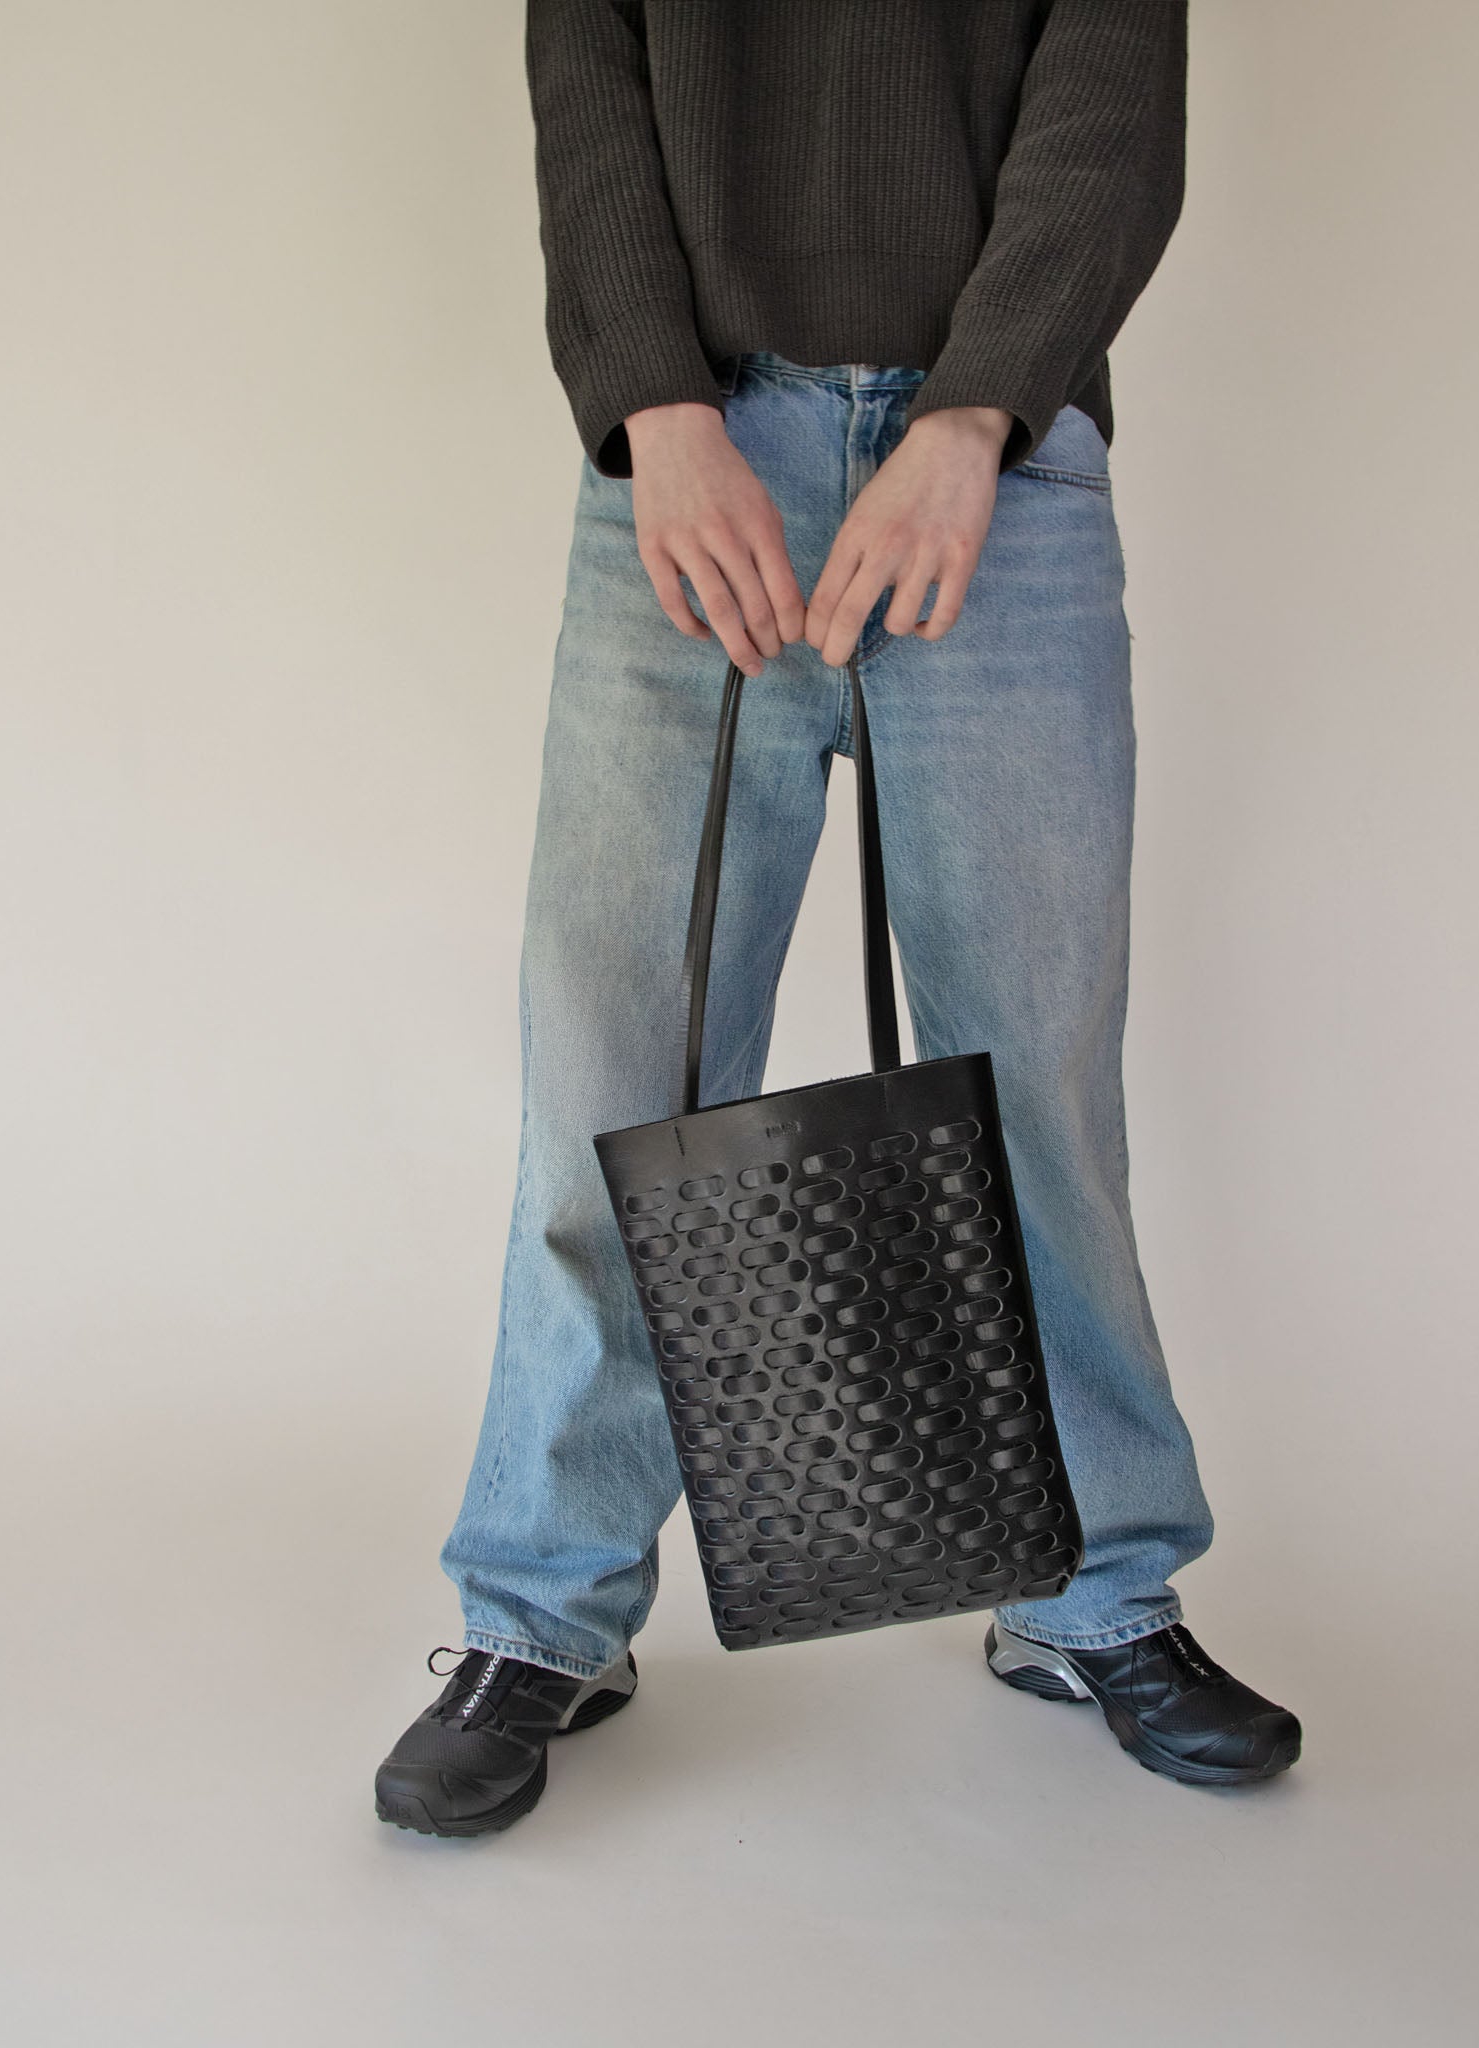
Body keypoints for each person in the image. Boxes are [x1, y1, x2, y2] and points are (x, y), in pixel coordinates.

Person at [375, 0, 1299, 1839]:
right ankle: (542, 1612)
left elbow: (1110, 106)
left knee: (1034, 1077)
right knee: (614, 1073)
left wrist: (976, 409)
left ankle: (1090, 1589)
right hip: (697, 455)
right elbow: (594, 87)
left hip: (999, 470)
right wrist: (655, 407)